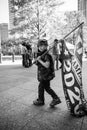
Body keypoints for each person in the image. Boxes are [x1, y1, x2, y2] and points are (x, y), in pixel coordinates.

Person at [33, 39, 61, 106]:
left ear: (46, 46)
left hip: (46, 75)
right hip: (43, 75)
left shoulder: (47, 55)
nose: (42, 47)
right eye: (41, 46)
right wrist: (36, 62)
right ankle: (51, 99)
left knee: (43, 87)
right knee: (45, 87)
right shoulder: (40, 54)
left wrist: (39, 60)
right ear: (38, 46)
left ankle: (43, 100)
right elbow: (40, 64)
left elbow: (47, 65)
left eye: (44, 46)